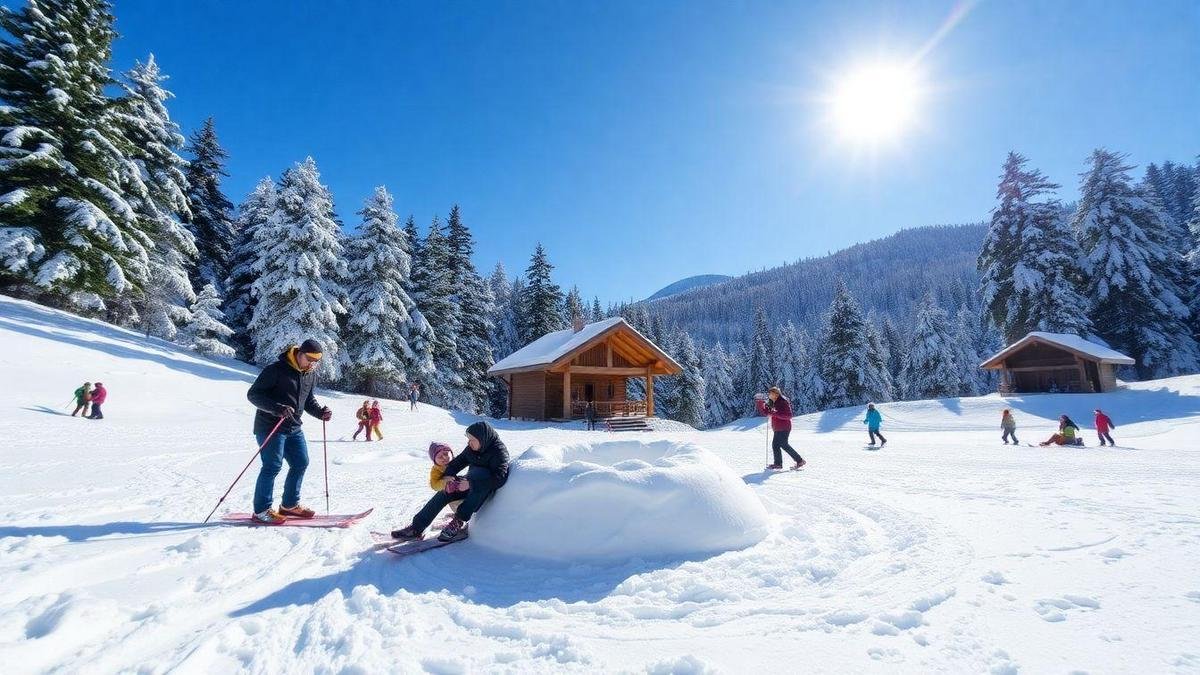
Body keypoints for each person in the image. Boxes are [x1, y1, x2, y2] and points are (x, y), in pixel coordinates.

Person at [245, 338, 333, 524]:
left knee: (301, 462)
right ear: (299, 353)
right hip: (270, 426)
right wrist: (277, 408)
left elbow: (308, 401)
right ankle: (261, 511)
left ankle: (289, 506)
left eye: (316, 361)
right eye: (309, 359)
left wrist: (321, 413)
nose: (312, 364)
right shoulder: (275, 370)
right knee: (272, 466)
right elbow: (253, 395)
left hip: (293, 427)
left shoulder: (309, 375)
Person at [391, 420, 509, 542]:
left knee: (481, 474)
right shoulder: (472, 448)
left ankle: (459, 521)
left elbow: (500, 478)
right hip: (470, 482)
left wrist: (471, 484)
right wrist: (449, 476)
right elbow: (458, 462)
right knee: (445, 491)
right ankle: (416, 527)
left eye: (472, 440)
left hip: (484, 489)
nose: (469, 443)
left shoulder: (499, 452)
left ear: (482, 438)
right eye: (468, 439)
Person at [764, 386, 805, 470]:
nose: (769, 395)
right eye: (769, 394)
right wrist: (762, 404)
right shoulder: (772, 402)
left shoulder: (783, 402)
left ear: (776, 394)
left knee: (782, 445)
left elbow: (788, 416)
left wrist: (774, 414)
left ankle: (799, 460)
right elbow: (768, 412)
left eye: (771, 393)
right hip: (778, 428)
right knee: (777, 445)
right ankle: (779, 464)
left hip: (784, 427)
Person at [425, 441, 464, 515]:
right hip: (451, 493)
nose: (445, 458)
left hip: (462, 488)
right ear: (434, 460)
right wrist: (444, 481)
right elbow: (434, 485)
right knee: (454, 503)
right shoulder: (436, 470)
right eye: (440, 457)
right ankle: (460, 517)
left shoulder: (455, 461)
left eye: (446, 454)